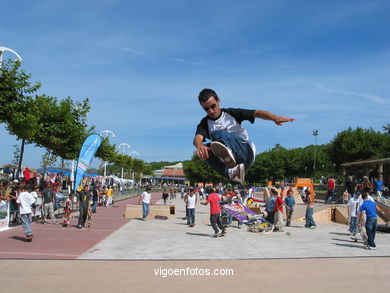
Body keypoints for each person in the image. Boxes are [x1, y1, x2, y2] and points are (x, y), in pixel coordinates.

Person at [193, 88, 294, 183]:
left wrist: (274, 118)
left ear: (218, 101)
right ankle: (231, 173)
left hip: (245, 152)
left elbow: (257, 113)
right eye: (206, 109)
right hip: (237, 165)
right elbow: (197, 138)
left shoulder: (232, 113)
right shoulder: (205, 122)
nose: (211, 111)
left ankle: (230, 153)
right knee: (204, 150)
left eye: (213, 106)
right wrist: (200, 145)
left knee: (217, 133)